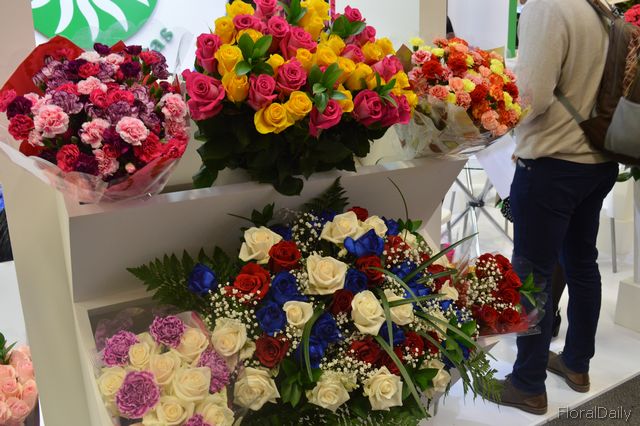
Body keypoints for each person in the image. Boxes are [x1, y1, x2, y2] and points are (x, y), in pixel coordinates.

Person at [482, 0, 618, 415]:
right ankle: (577, 364)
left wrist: (502, 125)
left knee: (532, 276)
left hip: (553, 163)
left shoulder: (547, 7)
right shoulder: (600, 6)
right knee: (582, 264)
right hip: (598, 158)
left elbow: (532, 95)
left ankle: (527, 384)